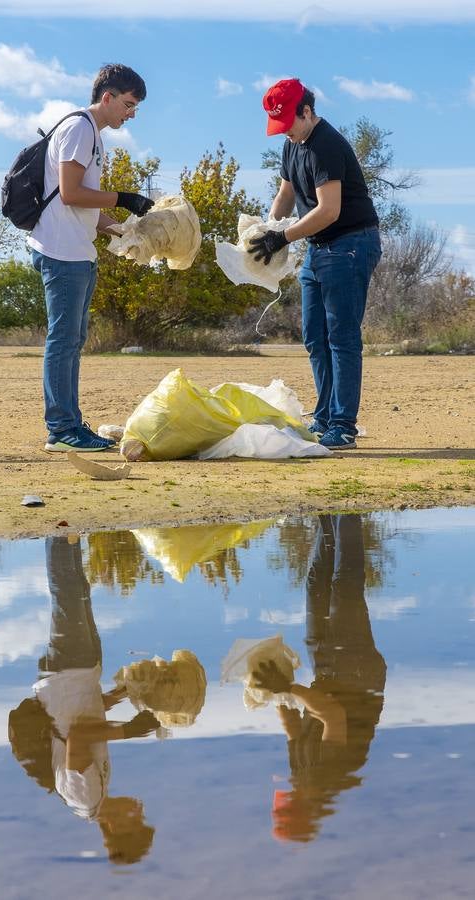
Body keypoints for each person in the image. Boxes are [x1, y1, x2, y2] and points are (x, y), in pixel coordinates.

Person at [8, 535, 158, 865]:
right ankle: (68, 529)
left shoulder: (84, 797)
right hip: (81, 673)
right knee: (79, 590)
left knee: (67, 594)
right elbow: (85, 719)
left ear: (117, 828)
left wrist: (129, 731)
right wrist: (124, 694)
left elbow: (78, 737)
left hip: (65, 673)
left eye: (138, 820)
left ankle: (58, 528)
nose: (139, 810)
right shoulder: (97, 793)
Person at [249, 78, 382, 450]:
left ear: (306, 112)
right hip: (319, 247)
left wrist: (284, 238)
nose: (285, 134)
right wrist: (268, 229)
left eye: (288, 125)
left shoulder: (326, 145)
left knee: (341, 337)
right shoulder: (293, 145)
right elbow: (285, 194)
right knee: (314, 335)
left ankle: (343, 425)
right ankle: (324, 416)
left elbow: (329, 210)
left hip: (351, 243)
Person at [28, 64, 154, 454]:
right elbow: (69, 193)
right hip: (61, 252)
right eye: (129, 104)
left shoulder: (93, 136)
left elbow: (86, 208)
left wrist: (126, 233)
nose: (131, 113)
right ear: (107, 97)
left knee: (72, 340)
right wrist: (124, 197)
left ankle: (68, 422)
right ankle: (62, 429)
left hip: (77, 251)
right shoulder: (80, 129)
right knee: (64, 340)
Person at [253, 514, 387, 842]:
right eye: (290, 802)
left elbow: (293, 730)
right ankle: (350, 509)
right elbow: (332, 715)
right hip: (356, 674)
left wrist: (272, 695)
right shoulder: (333, 776)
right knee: (345, 587)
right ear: (306, 808)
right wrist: (289, 687)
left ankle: (327, 513)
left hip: (326, 673)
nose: (290, 792)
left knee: (315, 583)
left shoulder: (302, 776)